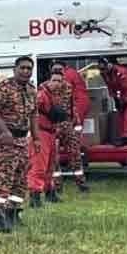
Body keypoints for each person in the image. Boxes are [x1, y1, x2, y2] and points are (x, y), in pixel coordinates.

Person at [0, 56, 39, 232]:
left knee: (21, 179)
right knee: (5, 178)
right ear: (15, 69)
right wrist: (5, 132)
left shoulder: (31, 90)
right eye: (22, 68)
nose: (26, 71)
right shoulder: (3, 87)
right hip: (5, 140)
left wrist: (36, 138)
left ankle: (13, 213)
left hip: (23, 140)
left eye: (29, 68)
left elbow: (34, 115)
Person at [28, 69, 67, 207]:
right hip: (41, 132)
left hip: (51, 133)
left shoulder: (57, 95)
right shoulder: (41, 95)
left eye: (59, 81)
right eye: (54, 80)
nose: (57, 83)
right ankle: (35, 197)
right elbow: (31, 111)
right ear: (49, 81)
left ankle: (49, 192)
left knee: (50, 166)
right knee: (39, 166)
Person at [56, 62, 90, 193]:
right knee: (54, 159)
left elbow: (73, 107)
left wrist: (77, 125)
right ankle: (57, 186)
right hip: (54, 128)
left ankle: (81, 183)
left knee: (75, 156)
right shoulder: (45, 90)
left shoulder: (67, 88)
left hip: (67, 127)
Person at [97, 57, 127, 145]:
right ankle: (123, 135)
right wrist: (115, 98)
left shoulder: (122, 72)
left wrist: (125, 100)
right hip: (123, 91)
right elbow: (110, 86)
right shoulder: (105, 73)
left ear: (109, 64)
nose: (102, 70)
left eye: (103, 67)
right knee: (121, 113)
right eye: (101, 68)